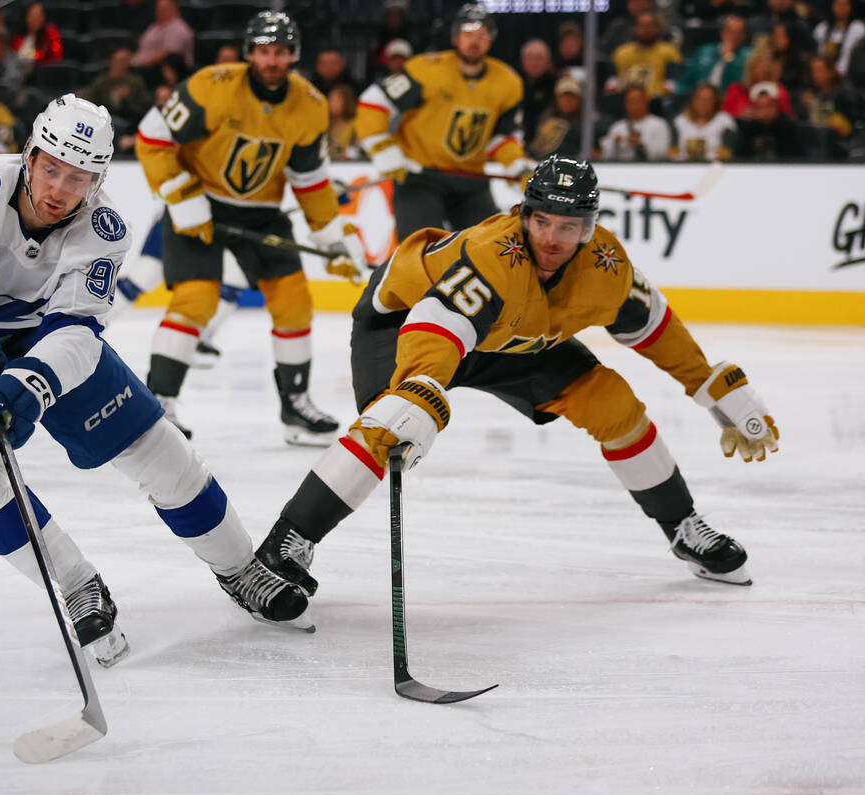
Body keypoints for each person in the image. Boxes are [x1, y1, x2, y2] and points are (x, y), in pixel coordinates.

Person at [0, 94, 311, 669]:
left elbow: (75, 332)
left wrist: (31, 383)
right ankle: (75, 584)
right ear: (29, 155)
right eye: (50, 168)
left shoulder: (103, 230)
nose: (58, 189)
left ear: (97, 181)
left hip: (38, 342)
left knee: (161, 450)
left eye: (78, 178)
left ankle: (239, 567)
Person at [256, 155, 779, 606]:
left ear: (589, 229)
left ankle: (684, 527)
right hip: (406, 319)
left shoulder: (606, 265)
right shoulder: (491, 256)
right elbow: (436, 326)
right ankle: (286, 542)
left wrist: (713, 387)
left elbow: (655, 329)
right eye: (543, 222)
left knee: (613, 404)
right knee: (392, 425)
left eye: (569, 226)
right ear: (524, 215)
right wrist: (418, 389)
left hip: (511, 338)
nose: (553, 239)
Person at [134, 11, 366, 445]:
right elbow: (153, 138)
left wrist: (330, 238)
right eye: (263, 51)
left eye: (280, 52)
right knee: (195, 300)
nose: (272, 60)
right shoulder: (212, 86)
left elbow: (310, 180)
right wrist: (182, 198)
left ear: (293, 54)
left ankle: (295, 406)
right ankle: (159, 402)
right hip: (199, 203)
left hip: (261, 213)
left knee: (294, 302)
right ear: (250, 53)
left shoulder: (311, 105)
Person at [356, 3, 534, 242]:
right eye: (468, 34)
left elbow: (500, 136)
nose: (475, 41)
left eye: (482, 35)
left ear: (491, 40)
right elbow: (373, 102)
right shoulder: (427, 70)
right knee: (419, 252)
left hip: (470, 180)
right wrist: (383, 149)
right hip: (420, 177)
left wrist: (517, 165)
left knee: (490, 249)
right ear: (455, 37)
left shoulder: (507, 82)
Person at [83, 46, 153, 152]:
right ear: (112, 61)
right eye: (120, 60)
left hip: (129, 122)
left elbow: (143, 106)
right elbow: (91, 101)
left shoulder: (136, 82)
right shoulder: (101, 83)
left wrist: (127, 98)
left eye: (126, 60)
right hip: (104, 121)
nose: (123, 64)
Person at [677, 14, 752, 97]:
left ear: (743, 36)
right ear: (722, 32)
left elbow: (739, 84)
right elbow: (686, 79)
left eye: (738, 32)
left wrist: (729, 57)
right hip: (699, 97)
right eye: (729, 31)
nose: (733, 36)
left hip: (728, 100)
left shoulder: (748, 55)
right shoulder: (704, 50)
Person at [734, 80, 807, 159]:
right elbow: (740, 158)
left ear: (777, 106)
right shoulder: (748, 130)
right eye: (760, 107)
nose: (765, 111)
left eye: (769, 106)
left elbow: (798, 157)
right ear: (754, 109)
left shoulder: (789, 128)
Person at [599, 84, 673, 161]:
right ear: (625, 104)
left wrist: (641, 144)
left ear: (646, 101)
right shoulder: (617, 127)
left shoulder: (659, 124)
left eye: (638, 101)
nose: (635, 106)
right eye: (631, 102)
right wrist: (614, 143)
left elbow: (662, 154)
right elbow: (606, 157)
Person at [671, 83, 737, 160]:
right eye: (699, 98)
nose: (702, 103)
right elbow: (672, 150)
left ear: (715, 101)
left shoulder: (724, 120)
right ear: (693, 100)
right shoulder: (680, 121)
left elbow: (727, 150)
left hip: (714, 167)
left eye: (707, 99)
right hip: (682, 166)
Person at [131, 0, 194, 70]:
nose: (160, 12)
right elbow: (141, 46)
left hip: (157, 70)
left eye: (164, 9)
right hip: (140, 65)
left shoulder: (177, 27)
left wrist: (140, 65)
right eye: (158, 9)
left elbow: (168, 55)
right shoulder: (154, 26)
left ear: (175, 9)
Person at [814, 0, 865, 77]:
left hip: (848, 76)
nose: (841, 8)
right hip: (825, 75)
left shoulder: (858, 29)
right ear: (833, 6)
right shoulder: (822, 28)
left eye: (844, 5)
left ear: (850, 7)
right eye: (838, 4)